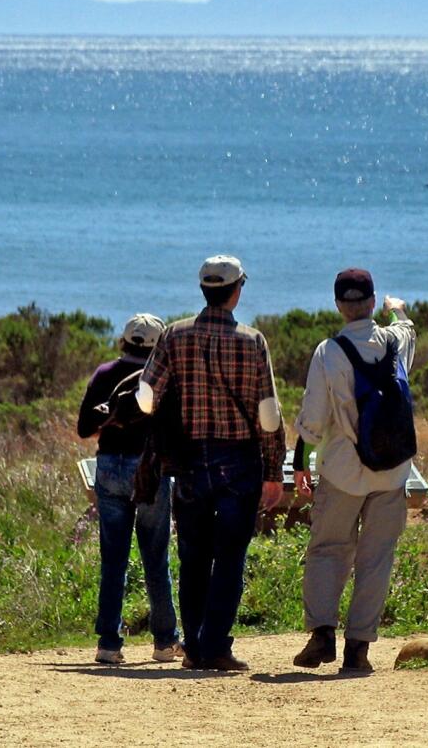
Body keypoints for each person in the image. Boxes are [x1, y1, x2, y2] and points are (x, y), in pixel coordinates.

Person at [136, 255, 286, 672]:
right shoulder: (253, 341)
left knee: (193, 555)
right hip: (238, 459)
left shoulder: (172, 335)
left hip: (188, 459)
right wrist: (273, 472)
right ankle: (216, 644)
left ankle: (196, 647)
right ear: (237, 290)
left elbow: (148, 394)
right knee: (231, 555)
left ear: (204, 290)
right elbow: (268, 413)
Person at [291, 269, 416, 674]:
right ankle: (358, 648)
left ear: (338, 305)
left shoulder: (329, 352)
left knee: (328, 550)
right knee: (376, 558)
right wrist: (396, 310)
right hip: (393, 473)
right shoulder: (396, 342)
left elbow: (312, 418)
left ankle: (323, 633)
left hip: (343, 470)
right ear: (372, 300)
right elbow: (407, 327)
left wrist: (299, 463)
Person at [77, 313, 182, 664]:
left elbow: (83, 428)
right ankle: (165, 642)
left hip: (108, 467)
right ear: (158, 345)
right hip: (149, 469)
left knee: (114, 560)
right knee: (156, 559)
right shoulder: (164, 376)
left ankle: (109, 643)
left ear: (124, 341)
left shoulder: (105, 374)